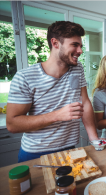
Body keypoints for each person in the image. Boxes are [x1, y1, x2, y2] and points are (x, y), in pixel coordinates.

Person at [6, 21, 99, 162]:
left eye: (80, 46)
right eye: (74, 45)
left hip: (70, 149)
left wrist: (95, 140)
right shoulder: (25, 77)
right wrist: (57, 115)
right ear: (55, 43)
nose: (80, 51)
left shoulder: (77, 69)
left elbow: (85, 103)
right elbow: (12, 124)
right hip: (36, 153)